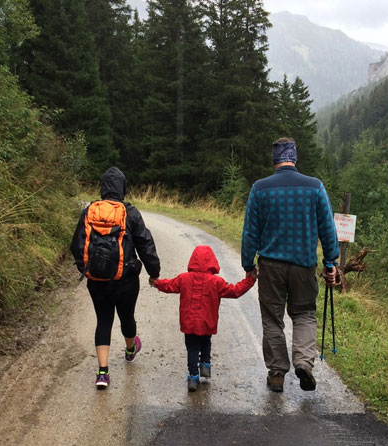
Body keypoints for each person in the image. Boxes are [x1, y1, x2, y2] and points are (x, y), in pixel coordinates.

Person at [240, 137, 341, 393]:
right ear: (294, 157)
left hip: (271, 266)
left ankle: (276, 374)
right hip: (304, 265)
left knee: (272, 319)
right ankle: (304, 363)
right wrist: (331, 262)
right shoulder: (315, 187)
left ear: (274, 160)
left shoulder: (260, 189)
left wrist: (247, 263)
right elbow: (328, 229)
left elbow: (250, 232)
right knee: (304, 314)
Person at [70, 167, 160, 389]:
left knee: (103, 320)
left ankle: (102, 372)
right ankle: (130, 350)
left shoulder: (89, 211)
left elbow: (76, 245)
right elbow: (145, 243)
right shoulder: (129, 212)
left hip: (97, 280)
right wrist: (154, 272)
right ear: (122, 188)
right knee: (126, 317)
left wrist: (87, 268)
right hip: (126, 280)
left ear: (102, 187)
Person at [152, 245, 256, 392]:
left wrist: (157, 283)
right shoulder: (217, 282)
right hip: (207, 321)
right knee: (206, 342)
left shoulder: (184, 278)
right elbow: (235, 291)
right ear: (212, 262)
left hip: (189, 322)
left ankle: (193, 376)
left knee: (192, 347)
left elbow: (169, 285)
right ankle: (205, 365)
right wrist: (250, 281)